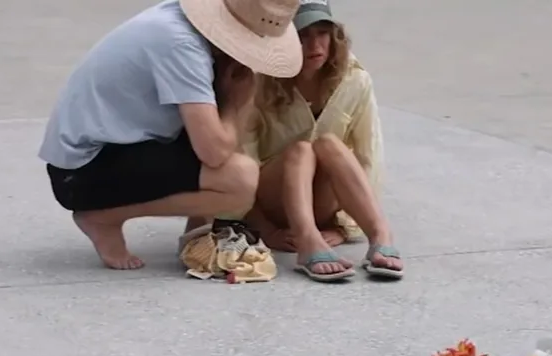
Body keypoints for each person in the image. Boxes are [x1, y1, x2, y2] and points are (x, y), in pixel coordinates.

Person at [38, 0, 303, 270]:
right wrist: (238, 103)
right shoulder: (181, 45)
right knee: (239, 179)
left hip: (114, 147)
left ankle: (197, 232)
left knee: (223, 144)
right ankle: (102, 217)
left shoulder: (182, 24)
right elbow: (214, 152)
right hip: (80, 172)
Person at [242, 0, 403, 282]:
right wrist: (264, 230)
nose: (315, 45)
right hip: (273, 199)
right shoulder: (259, 81)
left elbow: (369, 155)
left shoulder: (356, 79)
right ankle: (307, 244)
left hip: (323, 204)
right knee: (302, 150)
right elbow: (242, 161)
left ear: (335, 35)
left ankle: (380, 233)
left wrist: (345, 227)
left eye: (323, 33)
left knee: (330, 144)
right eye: (302, 35)